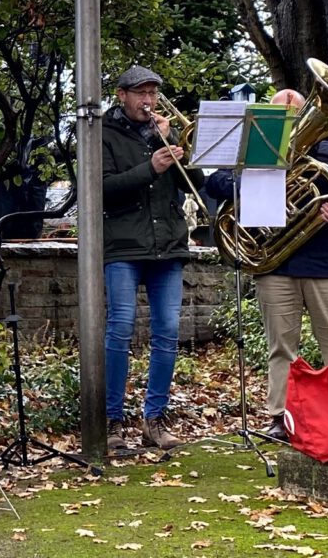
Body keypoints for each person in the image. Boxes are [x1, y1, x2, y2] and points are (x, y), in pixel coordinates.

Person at [205, 88, 328, 442]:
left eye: (298, 113)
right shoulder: (255, 147)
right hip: (274, 266)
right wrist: (247, 177)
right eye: (284, 115)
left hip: (325, 264)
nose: (294, 121)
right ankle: (280, 417)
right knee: (281, 348)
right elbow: (214, 182)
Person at [103, 65, 205, 451]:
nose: (148, 101)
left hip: (168, 244)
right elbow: (102, 189)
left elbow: (192, 184)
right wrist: (151, 165)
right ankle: (113, 422)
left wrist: (183, 152)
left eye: (153, 94)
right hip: (124, 245)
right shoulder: (103, 134)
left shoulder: (165, 131)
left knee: (167, 332)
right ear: (122, 95)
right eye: (141, 93)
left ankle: (154, 420)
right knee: (121, 328)